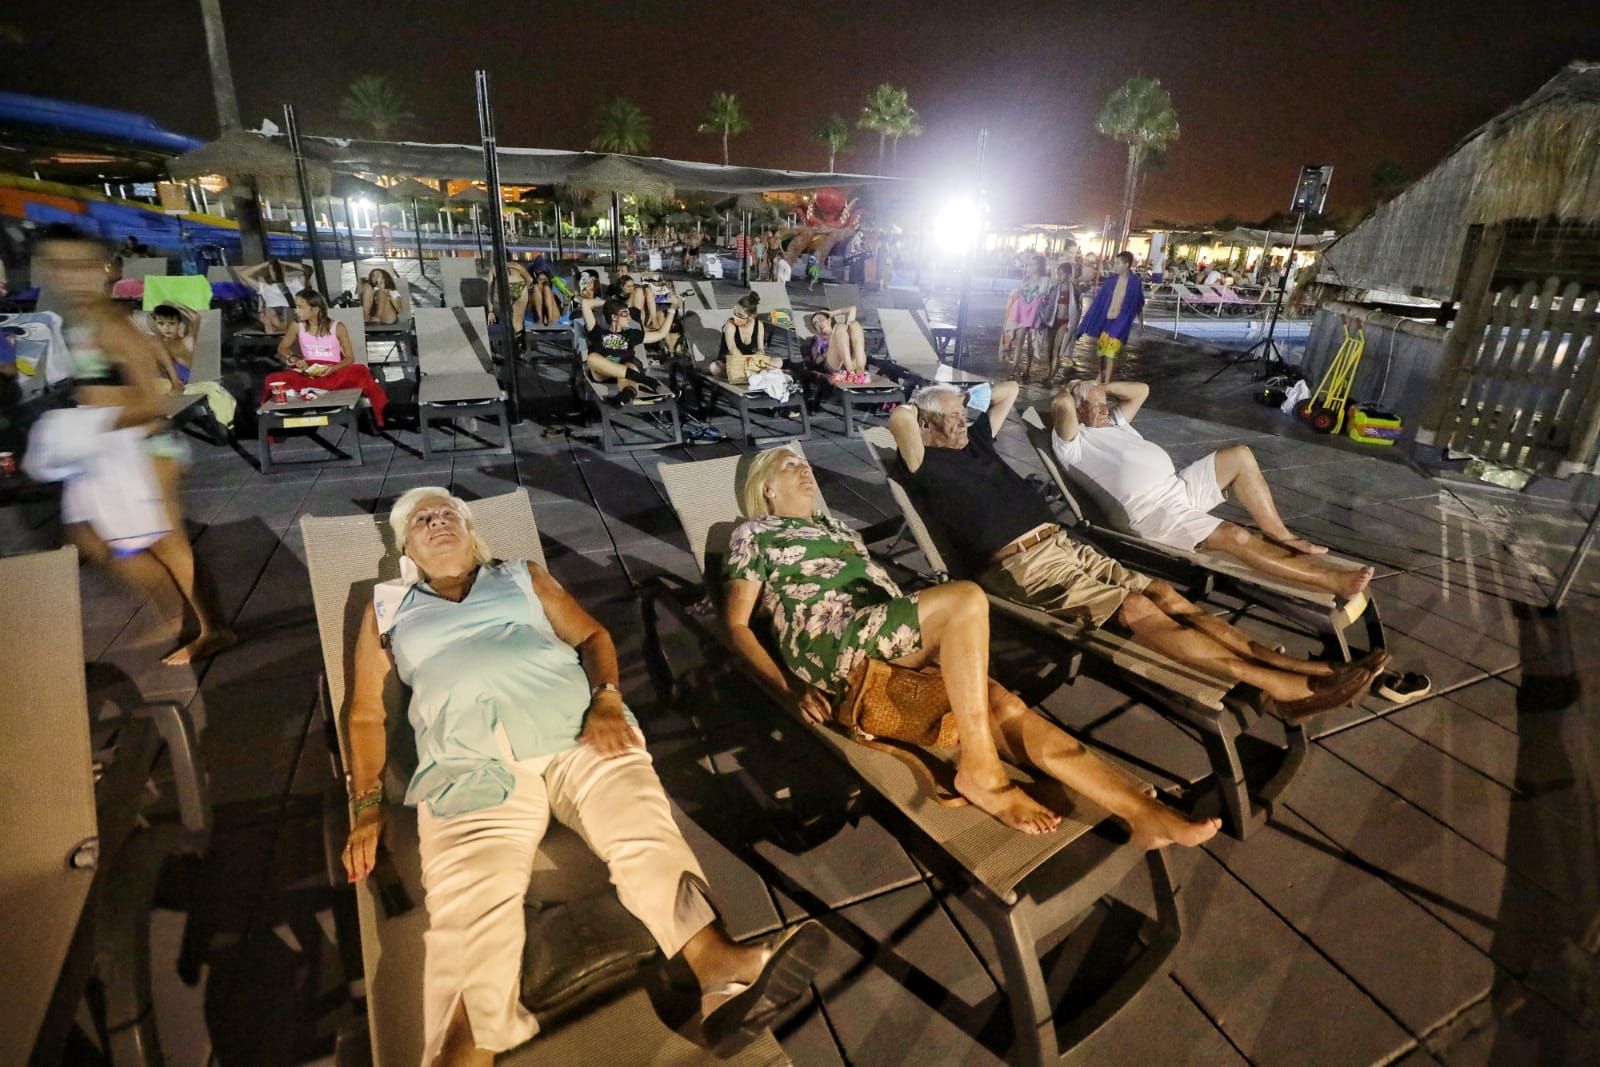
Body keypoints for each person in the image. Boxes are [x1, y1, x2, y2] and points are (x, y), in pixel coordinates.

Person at [341, 488, 826, 1066]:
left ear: (472, 532)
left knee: (641, 827)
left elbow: (592, 637)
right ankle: (462, 1054)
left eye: (449, 513)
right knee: (470, 903)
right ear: (405, 545)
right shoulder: (387, 608)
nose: (438, 521)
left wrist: (608, 699)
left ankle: (720, 970)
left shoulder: (522, 575)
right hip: (468, 765)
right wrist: (367, 805)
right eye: (422, 519)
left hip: (579, 729)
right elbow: (366, 711)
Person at [724, 445, 1222, 842]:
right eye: (789, 466)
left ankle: (1140, 811)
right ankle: (980, 771)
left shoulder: (838, 529)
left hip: (886, 630)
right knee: (965, 598)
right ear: (766, 488)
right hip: (835, 643)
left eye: (803, 463)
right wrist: (788, 686)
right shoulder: (755, 534)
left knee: (1005, 706)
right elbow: (739, 625)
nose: (803, 469)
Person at [888, 381, 1385, 721]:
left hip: (1063, 543)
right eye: (951, 418)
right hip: (1023, 566)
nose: (962, 421)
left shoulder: (974, 441)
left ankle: (1302, 670)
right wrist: (924, 404)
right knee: (1135, 608)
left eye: (961, 414)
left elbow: (1008, 393)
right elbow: (900, 420)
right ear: (929, 423)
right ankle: (1278, 689)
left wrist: (961, 397)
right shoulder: (923, 462)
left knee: (1165, 593)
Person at [31, 225, 234, 665]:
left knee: (164, 544)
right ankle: (190, 618)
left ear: (106, 270)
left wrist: (91, 426)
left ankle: (208, 628)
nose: (72, 277)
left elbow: (153, 398)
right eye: (61, 267)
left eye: (82, 266)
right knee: (95, 541)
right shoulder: (80, 323)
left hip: (145, 445)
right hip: (109, 448)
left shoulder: (113, 324)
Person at [1052, 380, 1375, 597]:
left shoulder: (1115, 422)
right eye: (1095, 406)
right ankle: (1332, 581)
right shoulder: (1073, 443)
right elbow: (1062, 404)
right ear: (1079, 412)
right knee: (1234, 536)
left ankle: (1281, 535)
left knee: (1240, 456)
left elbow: (1142, 390)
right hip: (1155, 513)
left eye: (1104, 402)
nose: (1105, 408)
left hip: (1177, 487)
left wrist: (1099, 387)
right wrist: (1070, 389)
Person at [261, 290, 389, 426]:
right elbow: (282, 347)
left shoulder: (337, 327)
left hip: (333, 373)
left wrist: (333, 368)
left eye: (300, 307)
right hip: (309, 373)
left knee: (362, 371)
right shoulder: (297, 326)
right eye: (296, 307)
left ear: (315, 310)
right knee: (272, 380)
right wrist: (293, 358)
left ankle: (380, 416)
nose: (296, 311)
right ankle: (273, 422)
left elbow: (349, 358)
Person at [147, 303, 237, 432]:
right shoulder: (159, 343)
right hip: (167, 382)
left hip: (187, 382)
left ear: (179, 324)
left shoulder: (186, 340)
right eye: (161, 324)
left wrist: (178, 304)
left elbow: (197, 317)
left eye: (171, 324)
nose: (166, 328)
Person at [579, 292, 676, 405]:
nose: (629, 318)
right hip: (603, 373)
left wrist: (672, 309)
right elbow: (585, 303)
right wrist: (611, 304)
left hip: (626, 372)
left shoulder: (631, 334)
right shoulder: (598, 331)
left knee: (630, 366)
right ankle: (646, 380)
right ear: (614, 317)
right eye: (625, 314)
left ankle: (624, 398)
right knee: (592, 358)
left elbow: (661, 334)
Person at [1076, 250, 1144, 384]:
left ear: (1127, 265)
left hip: (1120, 321)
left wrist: (1141, 323)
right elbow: (1099, 301)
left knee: (1110, 351)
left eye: (1118, 263)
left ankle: (1106, 382)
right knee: (1102, 351)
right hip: (1106, 319)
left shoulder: (1135, 283)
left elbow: (1138, 303)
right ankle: (1101, 375)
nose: (1115, 266)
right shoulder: (1111, 281)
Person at [998, 255, 1054, 380]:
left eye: (1035, 264)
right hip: (1023, 312)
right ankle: (1014, 369)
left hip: (1034, 313)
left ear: (1040, 266)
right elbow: (1017, 291)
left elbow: (1043, 294)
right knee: (1019, 341)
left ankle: (1028, 368)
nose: (1032, 267)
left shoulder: (1045, 280)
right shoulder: (1026, 279)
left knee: (1031, 342)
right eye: (1031, 264)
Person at [718, 293, 779, 384]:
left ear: (751, 316)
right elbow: (732, 348)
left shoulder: (759, 325)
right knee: (715, 367)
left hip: (749, 361)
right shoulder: (730, 325)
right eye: (735, 313)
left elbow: (760, 348)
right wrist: (745, 365)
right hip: (731, 361)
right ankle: (751, 376)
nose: (735, 317)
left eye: (740, 315)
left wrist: (759, 355)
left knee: (778, 362)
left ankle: (749, 376)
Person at [236, 259, 307, 333]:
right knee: (266, 313)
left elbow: (308, 270)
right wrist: (265, 264)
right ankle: (271, 334)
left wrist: (283, 262)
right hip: (274, 319)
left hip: (291, 318)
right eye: (271, 269)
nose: (275, 271)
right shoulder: (265, 287)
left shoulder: (295, 284)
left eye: (277, 268)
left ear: (284, 269)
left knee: (270, 311)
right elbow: (242, 274)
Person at [802, 306, 869, 379]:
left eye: (821, 320)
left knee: (854, 324)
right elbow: (816, 361)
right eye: (815, 323)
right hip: (834, 363)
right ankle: (850, 370)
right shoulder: (816, 339)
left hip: (853, 360)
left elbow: (852, 309)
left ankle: (860, 367)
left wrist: (832, 313)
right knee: (839, 326)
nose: (819, 324)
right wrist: (826, 351)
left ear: (829, 320)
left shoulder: (844, 330)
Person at [1046, 260, 1081, 383]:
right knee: (1049, 350)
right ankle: (1050, 371)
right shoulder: (1055, 287)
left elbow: (1078, 309)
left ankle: (1051, 376)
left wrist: (1073, 326)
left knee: (1057, 349)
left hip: (1064, 321)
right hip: (1052, 320)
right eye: (1058, 273)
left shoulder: (1074, 289)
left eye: (1061, 274)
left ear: (1068, 274)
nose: (1059, 276)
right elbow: (1048, 303)